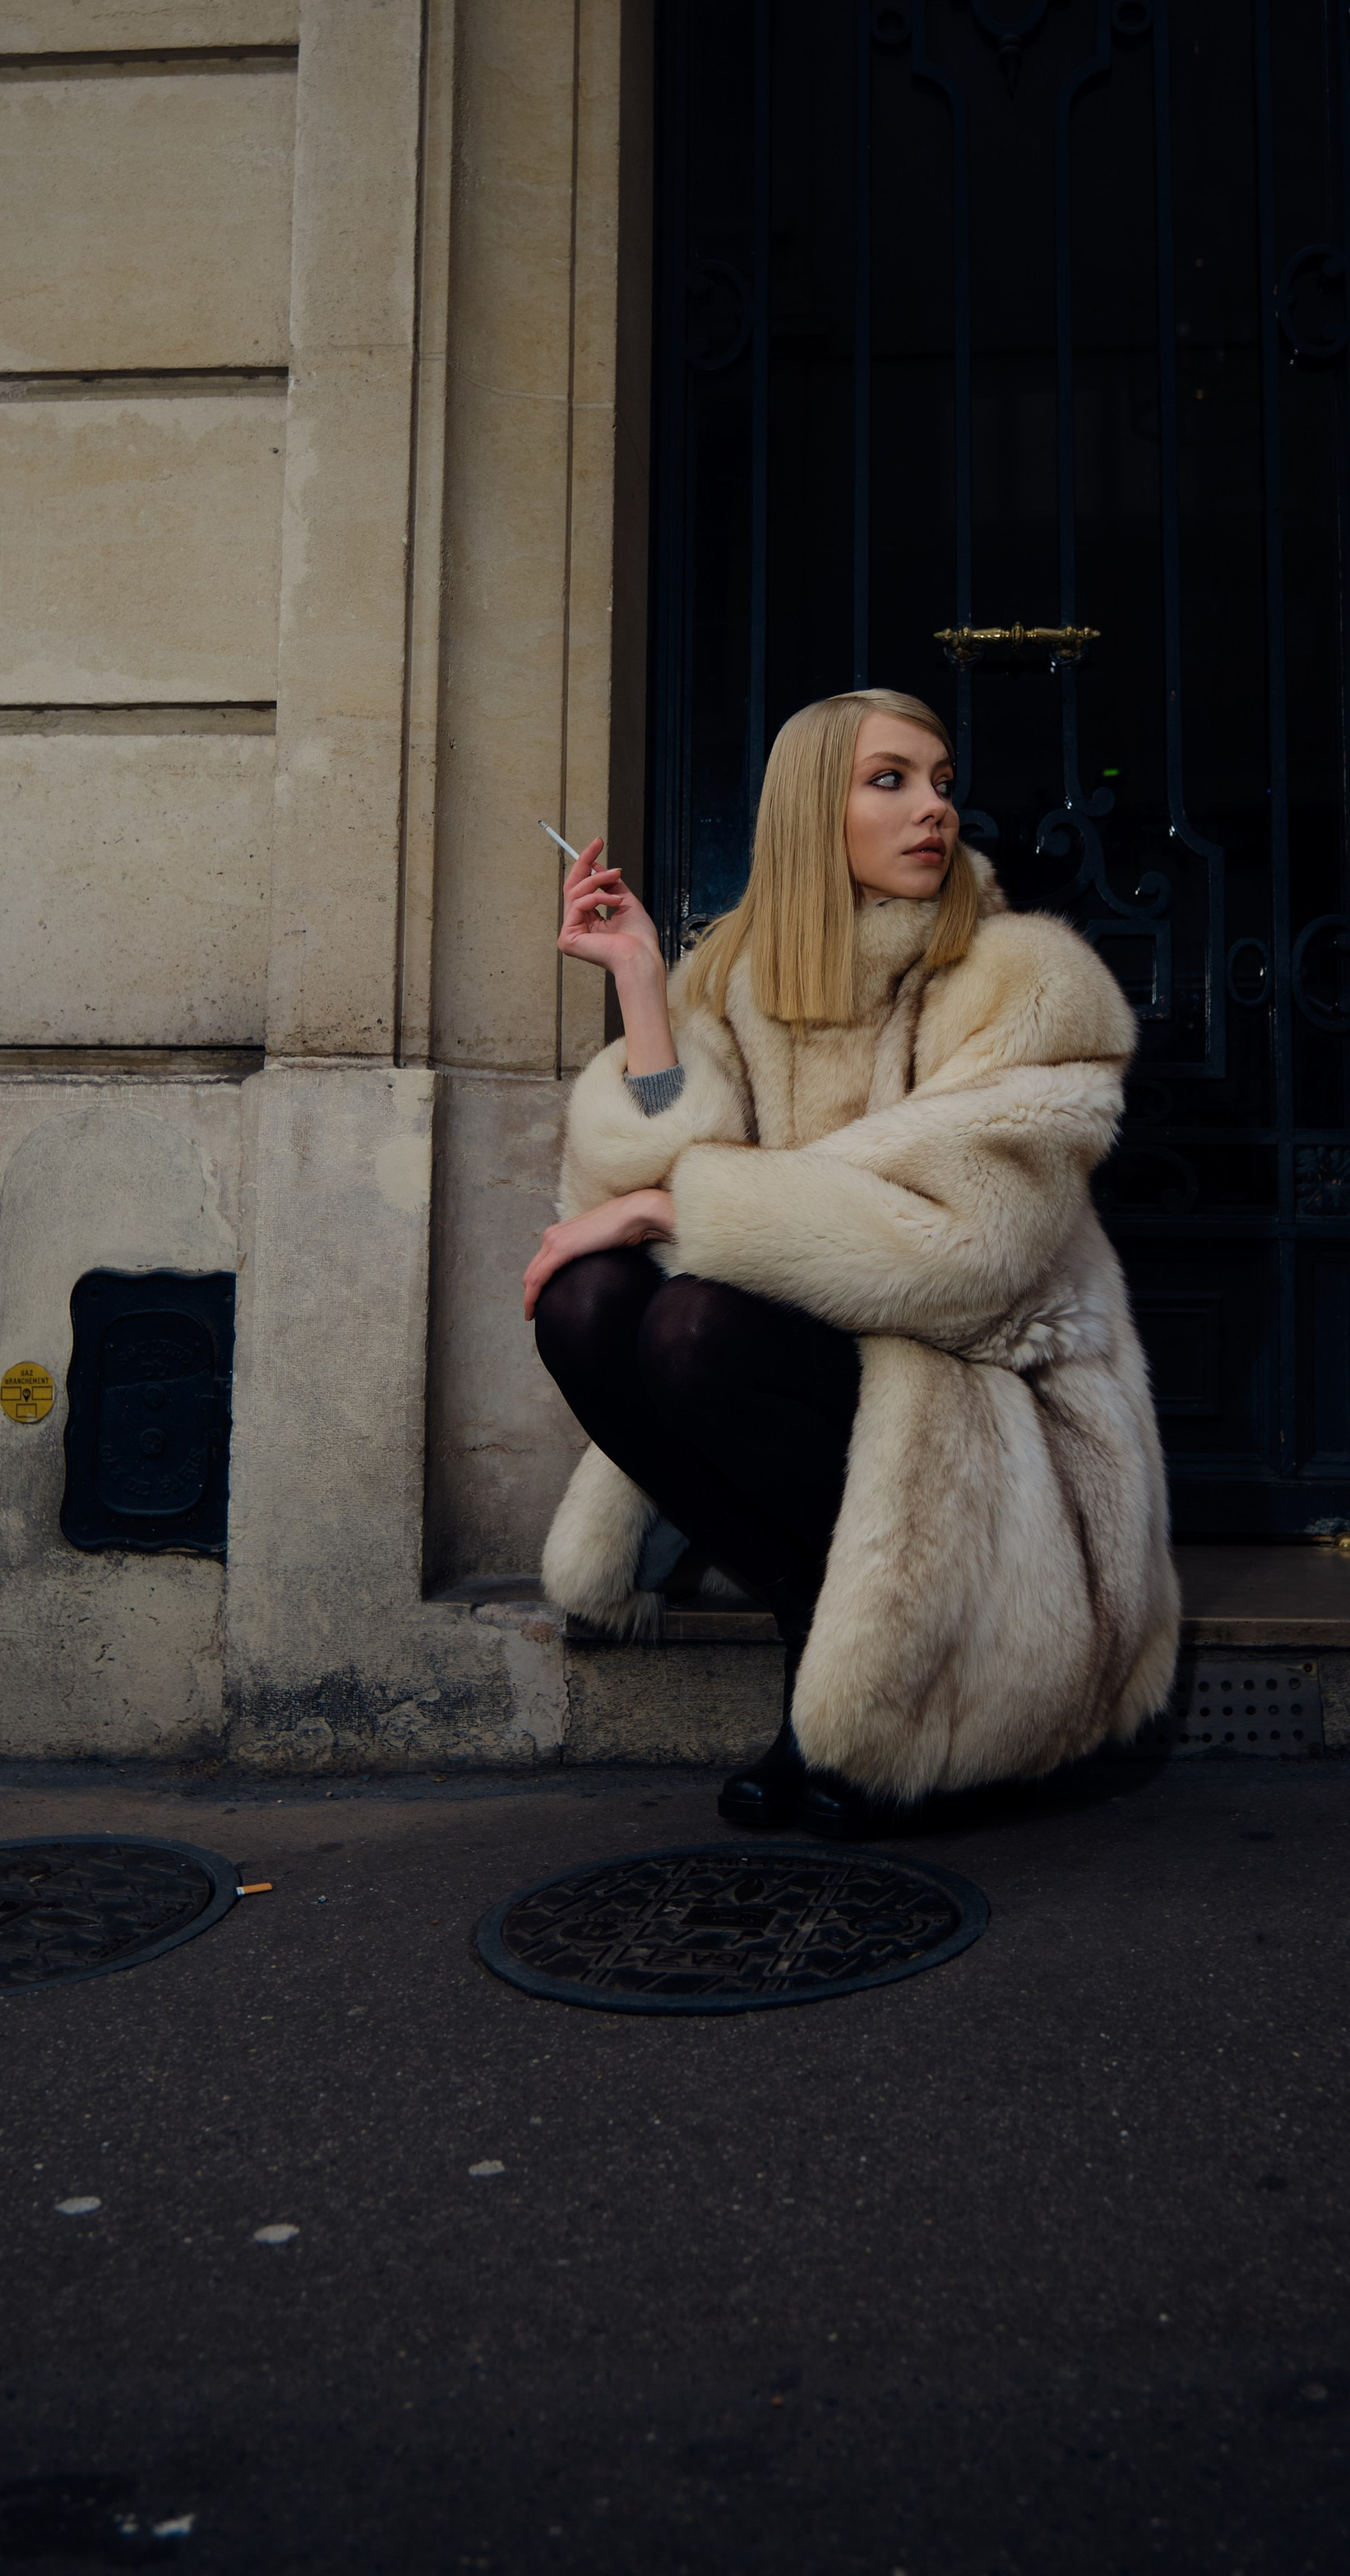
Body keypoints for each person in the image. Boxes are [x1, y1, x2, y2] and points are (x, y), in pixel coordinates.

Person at [525, 688, 1177, 1839]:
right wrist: (639, 978)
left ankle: (889, 1709)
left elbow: (972, 1258)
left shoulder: (1026, 975)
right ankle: (810, 1623)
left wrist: (668, 1207)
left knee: (693, 1327)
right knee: (586, 1308)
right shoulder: (732, 977)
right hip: (820, 1361)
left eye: (940, 781)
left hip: (989, 1381)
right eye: (890, 780)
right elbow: (629, 1173)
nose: (934, 809)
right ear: (806, 812)